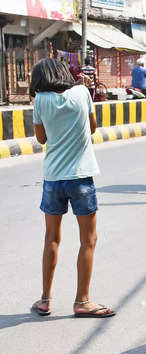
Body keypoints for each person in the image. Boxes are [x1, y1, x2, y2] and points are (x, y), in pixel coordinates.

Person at [29, 58, 115, 319]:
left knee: (51, 239)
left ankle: (45, 300)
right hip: (80, 177)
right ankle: (82, 301)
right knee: (88, 240)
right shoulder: (81, 93)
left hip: (53, 178)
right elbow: (92, 128)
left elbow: (41, 138)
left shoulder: (40, 101)